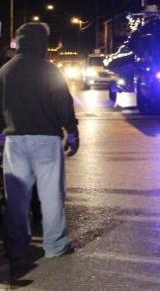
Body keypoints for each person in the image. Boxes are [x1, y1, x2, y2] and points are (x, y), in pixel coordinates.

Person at [0, 23, 79, 260]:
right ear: (42, 43)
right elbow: (63, 104)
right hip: (46, 139)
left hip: (14, 141)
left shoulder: (5, 71)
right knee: (51, 195)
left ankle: (16, 246)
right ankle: (55, 246)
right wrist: (72, 133)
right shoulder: (50, 70)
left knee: (16, 197)